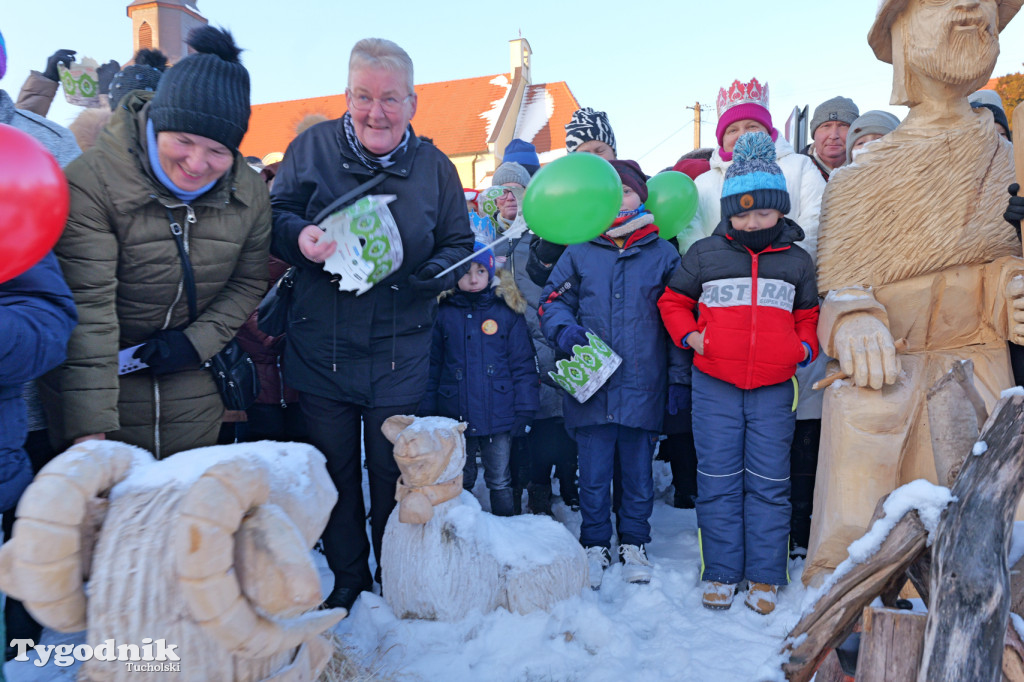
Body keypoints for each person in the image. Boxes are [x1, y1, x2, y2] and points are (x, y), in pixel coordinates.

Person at [806, 0, 1023, 585]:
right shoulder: (857, 182)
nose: (973, 9)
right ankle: (851, 600)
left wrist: (1010, 291)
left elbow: (1001, 263)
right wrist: (854, 320)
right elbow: (840, 287)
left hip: (977, 357)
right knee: (862, 456)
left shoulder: (1011, 163)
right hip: (889, 366)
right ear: (899, 31)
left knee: (989, 519)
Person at [269, 38, 474, 612]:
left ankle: (397, 572)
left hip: (398, 350)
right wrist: (298, 237)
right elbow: (275, 216)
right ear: (347, 95)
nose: (375, 112)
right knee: (334, 474)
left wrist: (433, 273)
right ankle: (350, 576)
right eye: (363, 96)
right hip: (321, 347)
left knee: (394, 471)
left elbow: (458, 242)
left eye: (389, 99)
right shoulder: (309, 149)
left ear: (413, 102)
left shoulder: (434, 168)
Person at [40, 26, 270, 461]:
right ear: (158, 123)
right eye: (182, 141)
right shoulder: (91, 184)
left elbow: (248, 282)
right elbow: (89, 314)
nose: (198, 163)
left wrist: (195, 343)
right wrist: (89, 437)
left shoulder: (248, 192)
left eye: (218, 150)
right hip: (102, 392)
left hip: (193, 391)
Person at [659, 132, 820, 614]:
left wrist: (804, 346)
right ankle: (723, 571)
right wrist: (691, 338)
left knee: (770, 481)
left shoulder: (797, 261)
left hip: (774, 387)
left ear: (781, 211)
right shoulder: (706, 255)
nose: (752, 222)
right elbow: (673, 301)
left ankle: (767, 575)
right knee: (718, 477)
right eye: (742, 213)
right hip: (715, 386)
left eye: (763, 212)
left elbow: (809, 313)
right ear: (728, 213)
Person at [539, 159, 685, 589]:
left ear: (642, 195)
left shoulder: (663, 253)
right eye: (611, 190)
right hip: (592, 386)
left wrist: (678, 379)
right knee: (594, 473)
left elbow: (677, 320)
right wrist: (563, 330)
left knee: (638, 474)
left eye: (626, 190)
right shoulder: (580, 249)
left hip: (644, 384)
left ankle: (634, 541)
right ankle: (595, 542)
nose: (618, 198)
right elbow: (552, 300)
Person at [0, 28, 80, 661]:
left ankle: (24, 643)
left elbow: (64, 288)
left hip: (22, 404)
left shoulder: (44, 147)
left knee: (22, 537)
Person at [420, 245, 539, 516]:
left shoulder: (507, 312)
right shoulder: (442, 312)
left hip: (499, 412)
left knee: (500, 478)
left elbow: (522, 364)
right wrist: (426, 409)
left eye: (481, 271)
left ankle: (507, 531)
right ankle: (461, 533)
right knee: (461, 480)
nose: (473, 279)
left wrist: (525, 409)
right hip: (454, 414)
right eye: (465, 272)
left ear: (490, 272)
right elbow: (432, 365)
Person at [801, 96, 860, 180]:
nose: (833, 135)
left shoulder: (871, 170)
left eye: (843, 125)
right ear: (814, 133)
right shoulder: (793, 170)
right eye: (826, 126)